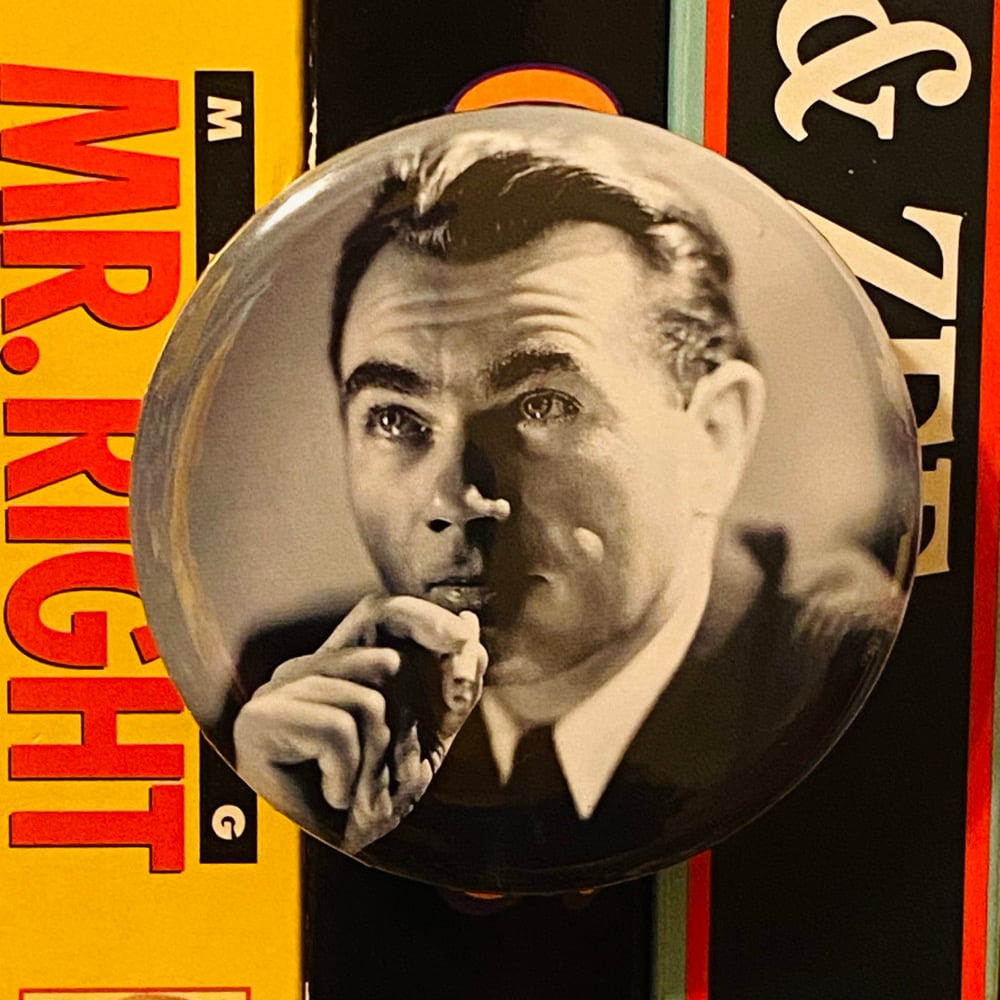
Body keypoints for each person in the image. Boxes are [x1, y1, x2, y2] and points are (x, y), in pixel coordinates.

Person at [232, 132, 904, 884]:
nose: (455, 499)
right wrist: (298, 848)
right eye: (395, 417)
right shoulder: (301, 706)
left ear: (714, 435)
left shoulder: (851, 687)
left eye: (542, 406)